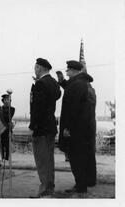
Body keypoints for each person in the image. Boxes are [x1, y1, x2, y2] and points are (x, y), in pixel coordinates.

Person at [58, 60, 97, 194]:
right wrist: (63, 82)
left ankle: (81, 187)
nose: (66, 72)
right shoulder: (85, 84)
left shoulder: (77, 85)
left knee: (76, 158)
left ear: (74, 70)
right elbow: (75, 96)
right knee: (84, 157)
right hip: (85, 129)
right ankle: (85, 183)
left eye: (67, 70)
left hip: (76, 130)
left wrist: (68, 127)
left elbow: (73, 107)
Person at [29, 58, 61, 197]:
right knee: (49, 159)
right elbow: (58, 95)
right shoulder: (53, 82)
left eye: (35, 68)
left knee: (42, 160)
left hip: (41, 127)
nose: (34, 70)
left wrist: (32, 126)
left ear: (39, 68)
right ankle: (49, 187)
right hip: (50, 126)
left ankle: (44, 191)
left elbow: (38, 108)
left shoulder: (40, 84)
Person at [0, 94, 15, 161]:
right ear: (3, 101)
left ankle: (7, 158)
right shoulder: (0, 109)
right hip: (2, 129)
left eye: (8, 100)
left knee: (7, 144)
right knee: (2, 144)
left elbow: (8, 118)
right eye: (5, 100)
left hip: (8, 128)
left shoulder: (12, 109)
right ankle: (2, 157)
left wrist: (7, 108)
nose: (6, 101)